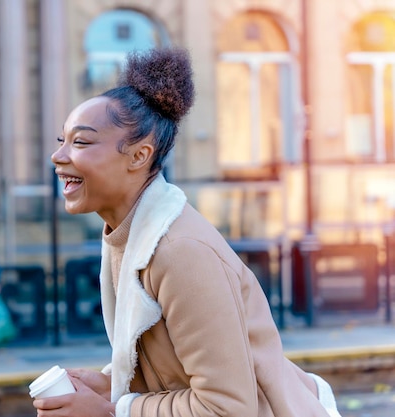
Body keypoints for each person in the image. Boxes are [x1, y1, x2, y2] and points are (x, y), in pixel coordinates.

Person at [34, 48, 341, 417]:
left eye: (80, 142)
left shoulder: (180, 251)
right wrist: (111, 384)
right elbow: (177, 368)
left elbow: (227, 407)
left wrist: (112, 411)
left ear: (138, 156)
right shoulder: (129, 235)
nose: (59, 156)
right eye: (61, 141)